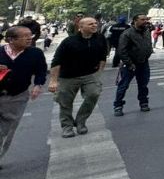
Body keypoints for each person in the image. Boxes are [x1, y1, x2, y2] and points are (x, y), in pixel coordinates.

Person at [48, 17, 108, 138]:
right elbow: (56, 61)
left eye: (95, 23)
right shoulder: (69, 41)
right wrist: (53, 80)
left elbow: (103, 57)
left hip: (90, 74)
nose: (94, 25)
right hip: (68, 77)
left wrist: (99, 74)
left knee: (94, 94)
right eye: (90, 24)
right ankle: (67, 127)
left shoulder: (100, 38)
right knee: (65, 102)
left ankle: (80, 121)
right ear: (81, 27)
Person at [0, 26, 47, 170]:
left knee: (6, 130)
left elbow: (41, 71)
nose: (29, 38)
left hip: (17, 96)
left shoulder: (35, 53)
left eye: (30, 35)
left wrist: (38, 85)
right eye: (25, 36)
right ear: (11, 39)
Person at [113, 14, 154, 116]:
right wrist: (129, 63)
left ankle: (143, 102)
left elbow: (148, 45)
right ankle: (118, 105)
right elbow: (121, 50)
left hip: (143, 63)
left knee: (143, 84)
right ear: (135, 21)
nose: (145, 21)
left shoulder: (146, 31)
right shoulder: (127, 33)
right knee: (123, 86)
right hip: (130, 64)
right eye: (142, 19)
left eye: (146, 19)